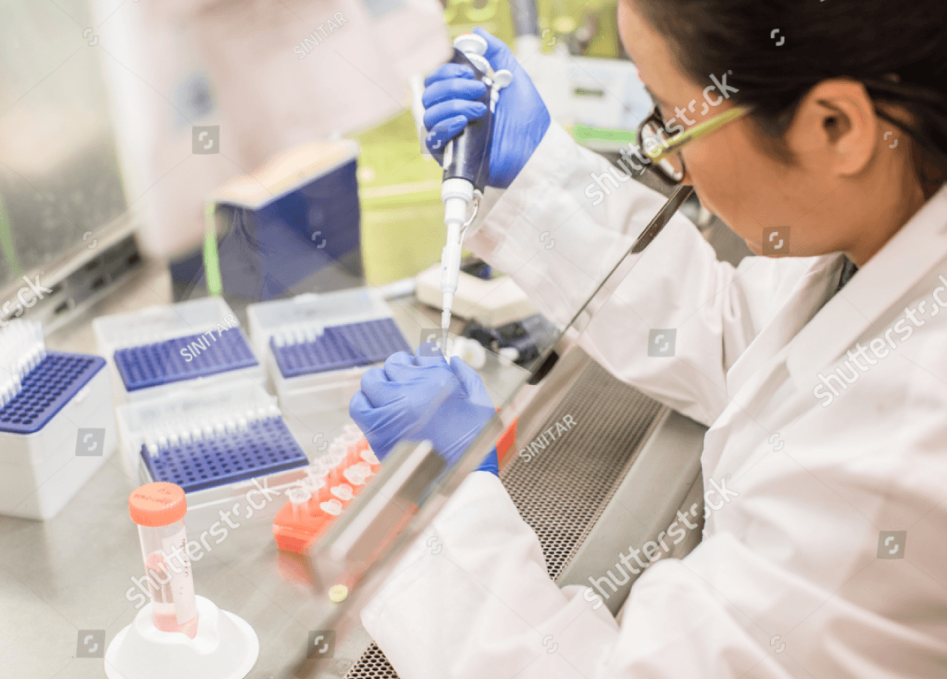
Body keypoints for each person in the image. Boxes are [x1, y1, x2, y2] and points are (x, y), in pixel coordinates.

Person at [349, 1, 947, 676]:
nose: (672, 162)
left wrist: (448, 508)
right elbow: (745, 340)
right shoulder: (898, 220)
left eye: (670, 116)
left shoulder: (903, 452)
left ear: (835, 126)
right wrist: (536, 182)